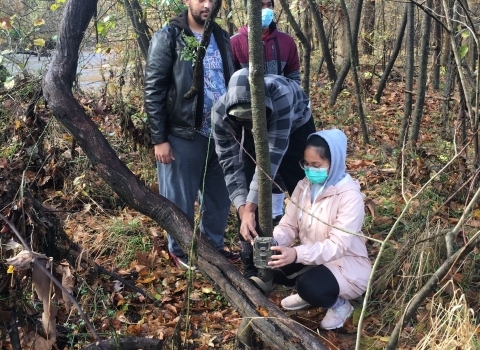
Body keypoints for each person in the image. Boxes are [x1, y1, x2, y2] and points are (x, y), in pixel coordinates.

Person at [144, 0, 239, 268]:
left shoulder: (221, 36)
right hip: (184, 133)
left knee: (219, 197)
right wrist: (159, 139)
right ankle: (181, 251)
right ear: (187, 1)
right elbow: (154, 89)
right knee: (179, 198)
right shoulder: (169, 37)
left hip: (222, 133)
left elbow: (229, 79)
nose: (206, 4)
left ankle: (213, 247)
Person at [212, 68, 315, 277]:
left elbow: (272, 156)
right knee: (250, 199)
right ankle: (255, 265)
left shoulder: (282, 95)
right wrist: (244, 209)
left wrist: (250, 206)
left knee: (303, 187)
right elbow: (231, 166)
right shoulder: (219, 114)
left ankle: (312, 253)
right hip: (251, 129)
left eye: (252, 118)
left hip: (295, 126)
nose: (250, 124)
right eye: (243, 119)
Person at [267, 129, 372, 330]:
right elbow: (289, 223)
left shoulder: (349, 196)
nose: (309, 170)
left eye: (316, 165)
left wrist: (297, 253)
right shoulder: (304, 186)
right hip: (314, 255)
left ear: (335, 163)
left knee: (310, 285)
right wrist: (276, 242)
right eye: (306, 164)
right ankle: (308, 292)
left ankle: (340, 305)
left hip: (346, 264)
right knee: (274, 264)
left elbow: (338, 245)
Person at [231, 0, 302, 222]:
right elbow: (230, 86)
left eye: (268, 4)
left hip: (283, 115)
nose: (264, 10)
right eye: (259, 4)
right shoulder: (234, 43)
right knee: (255, 170)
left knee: (285, 167)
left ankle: (291, 221)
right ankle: (260, 224)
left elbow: (294, 78)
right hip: (248, 121)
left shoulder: (286, 42)